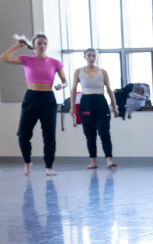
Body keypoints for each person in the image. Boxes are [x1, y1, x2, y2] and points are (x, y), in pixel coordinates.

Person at [2, 34, 67, 176]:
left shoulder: (55, 62)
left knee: (49, 135)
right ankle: (27, 162)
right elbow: (4, 58)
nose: (42, 46)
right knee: (23, 134)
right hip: (31, 98)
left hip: (48, 99)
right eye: (39, 43)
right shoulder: (27, 60)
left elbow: (65, 81)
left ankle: (49, 166)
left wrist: (61, 86)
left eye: (45, 43)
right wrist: (17, 46)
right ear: (34, 45)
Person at [70, 48, 117, 169]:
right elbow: (74, 89)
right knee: (90, 134)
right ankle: (93, 161)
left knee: (104, 132)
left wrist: (114, 106)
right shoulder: (78, 72)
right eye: (89, 55)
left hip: (100, 102)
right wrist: (72, 107)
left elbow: (109, 89)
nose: (91, 58)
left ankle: (109, 160)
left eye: (93, 55)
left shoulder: (103, 72)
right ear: (85, 57)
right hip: (86, 102)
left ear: (97, 57)